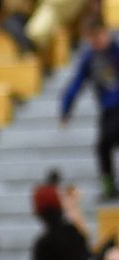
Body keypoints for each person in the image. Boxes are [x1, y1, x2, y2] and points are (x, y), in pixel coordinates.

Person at [61, 14, 119, 199]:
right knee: (103, 146)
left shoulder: (116, 51)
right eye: (91, 39)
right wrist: (66, 108)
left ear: (106, 32)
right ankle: (109, 186)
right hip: (108, 110)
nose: (96, 43)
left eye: (98, 37)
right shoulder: (90, 57)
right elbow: (76, 83)